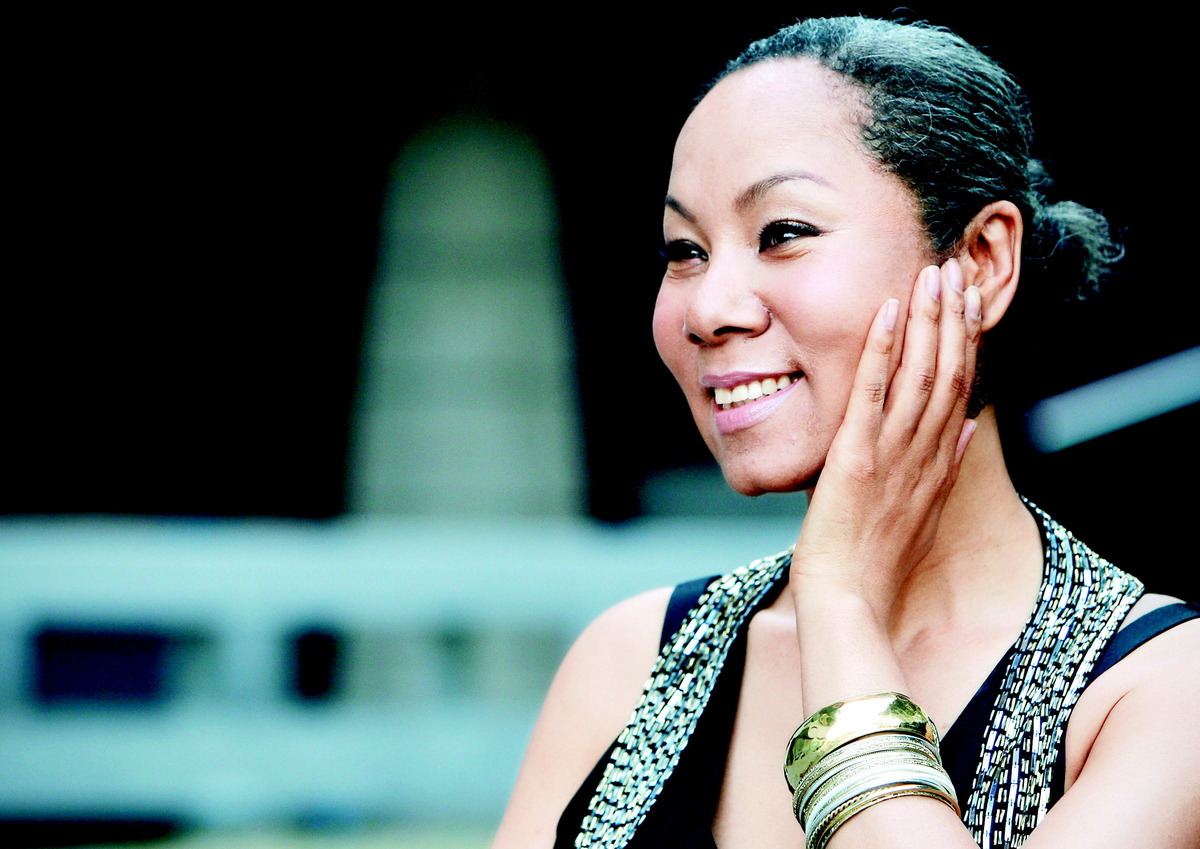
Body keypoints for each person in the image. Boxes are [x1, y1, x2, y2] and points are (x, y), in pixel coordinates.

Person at [492, 16, 1200, 849]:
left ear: (981, 260)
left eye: (783, 234)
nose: (708, 309)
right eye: (684, 250)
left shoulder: (1160, 693)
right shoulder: (634, 661)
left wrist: (839, 598)